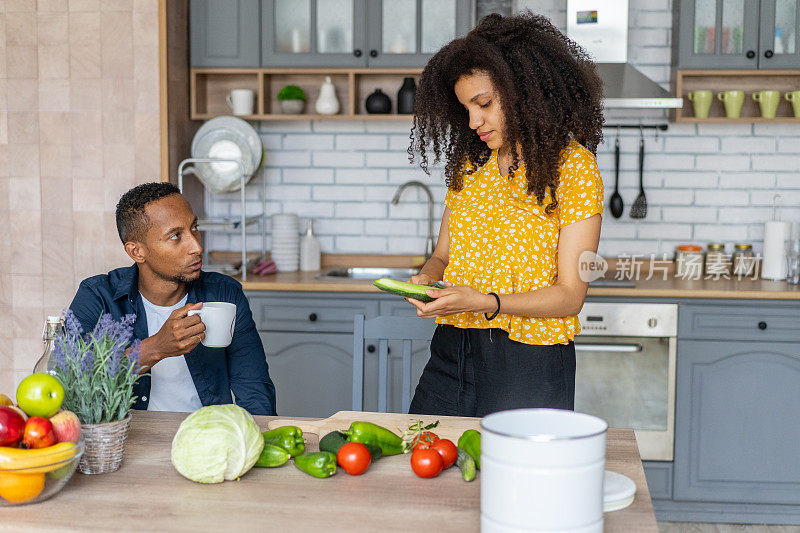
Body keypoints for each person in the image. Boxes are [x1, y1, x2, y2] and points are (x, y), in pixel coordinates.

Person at [405, 12, 604, 417]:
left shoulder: (574, 168)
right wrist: (427, 277)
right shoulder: (470, 169)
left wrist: (483, 301)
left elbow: (570, 296)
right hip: (452, 352)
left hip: (530, 361)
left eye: (484, 104)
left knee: (520, 480)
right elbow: (442, 255)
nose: (474, 120)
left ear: (525, 92)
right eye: (466, 109)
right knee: (426, 470)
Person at [68, 182, 277, 416]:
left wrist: (250, 442)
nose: (196, 246)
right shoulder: (98, 296)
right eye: (176, 236)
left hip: (207, 437)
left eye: (194, 227)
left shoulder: (224, 293)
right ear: (137, 251)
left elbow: (255, 390)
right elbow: (73, 387)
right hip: (127, 440)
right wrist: (155, 348)